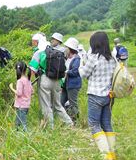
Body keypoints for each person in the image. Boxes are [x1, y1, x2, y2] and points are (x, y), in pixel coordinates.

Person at [79, 32, 117, 160]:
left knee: (94, 124)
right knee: (106, 123)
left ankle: (106, 156)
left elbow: (83, 74)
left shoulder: (93, 58)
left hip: (95, 95)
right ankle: (112, 153)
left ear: (94, 43)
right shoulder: (112, 59)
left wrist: (80, 65)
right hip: (108, 96)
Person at [29, 32, 73, 129]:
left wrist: (28, 83)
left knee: (46, 105)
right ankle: (69, 123)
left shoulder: (39, 52)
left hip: (45, 80)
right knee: (57, 105)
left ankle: (50, 127)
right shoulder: (59, 51)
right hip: (57, 81)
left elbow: (32, 69)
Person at [61, 38, 82, 123]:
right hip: (67, 84)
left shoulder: (77, 59)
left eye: (67, 47)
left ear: (70, 49)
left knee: (73, 103)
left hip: (73, 85)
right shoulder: (68, 58)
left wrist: (66, 72)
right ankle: (67, 120)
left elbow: (75, 71)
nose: (65, 48)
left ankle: (75, 121)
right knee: (61, 102)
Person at [9, 61, 33, 131]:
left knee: (23, 123)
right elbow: (32, 92)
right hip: (26, 105)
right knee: (18, 121)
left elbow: (19, 93)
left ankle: (26, 135)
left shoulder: (20, 81)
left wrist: (11, 88)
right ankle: (16, 132)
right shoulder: (28, 80)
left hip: (20, 105)